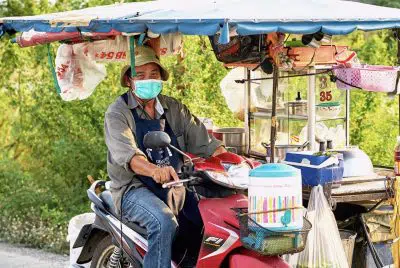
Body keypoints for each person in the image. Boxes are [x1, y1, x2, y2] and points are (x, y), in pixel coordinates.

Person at [104, 45, 226, 268]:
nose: (148, 80)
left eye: (153, 74)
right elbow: (130, 156)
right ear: (129, 80)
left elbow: (206, 144)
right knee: (163, 222)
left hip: (176, 185)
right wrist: (154, 170)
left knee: (213, 222)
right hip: (133, 188)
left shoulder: (174, 108)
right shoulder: (117, 113)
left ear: (161, 78)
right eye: (140, 75)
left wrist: (233, 163)